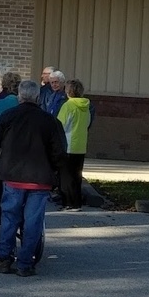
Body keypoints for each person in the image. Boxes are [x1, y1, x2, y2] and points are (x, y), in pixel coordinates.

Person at [0, 79, 67, 277]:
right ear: (37, 97)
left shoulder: (8, 117)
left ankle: (3, 259)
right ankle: (25, 263)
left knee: (10, 217)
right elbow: (60, 153)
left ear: (20, 96)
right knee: (33, 222)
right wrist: (54, 172)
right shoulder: (50, 121)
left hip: (13, 176)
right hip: (40, 179)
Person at [56, 79, 93, 211]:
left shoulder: (68, 106)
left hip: (68, 144)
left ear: (69, 91)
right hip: (81, 145)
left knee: (66, 176)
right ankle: (76, 203)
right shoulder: (86, 106)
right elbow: (88, 123)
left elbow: (60, 125)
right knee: (77, 176)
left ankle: (68, 203)